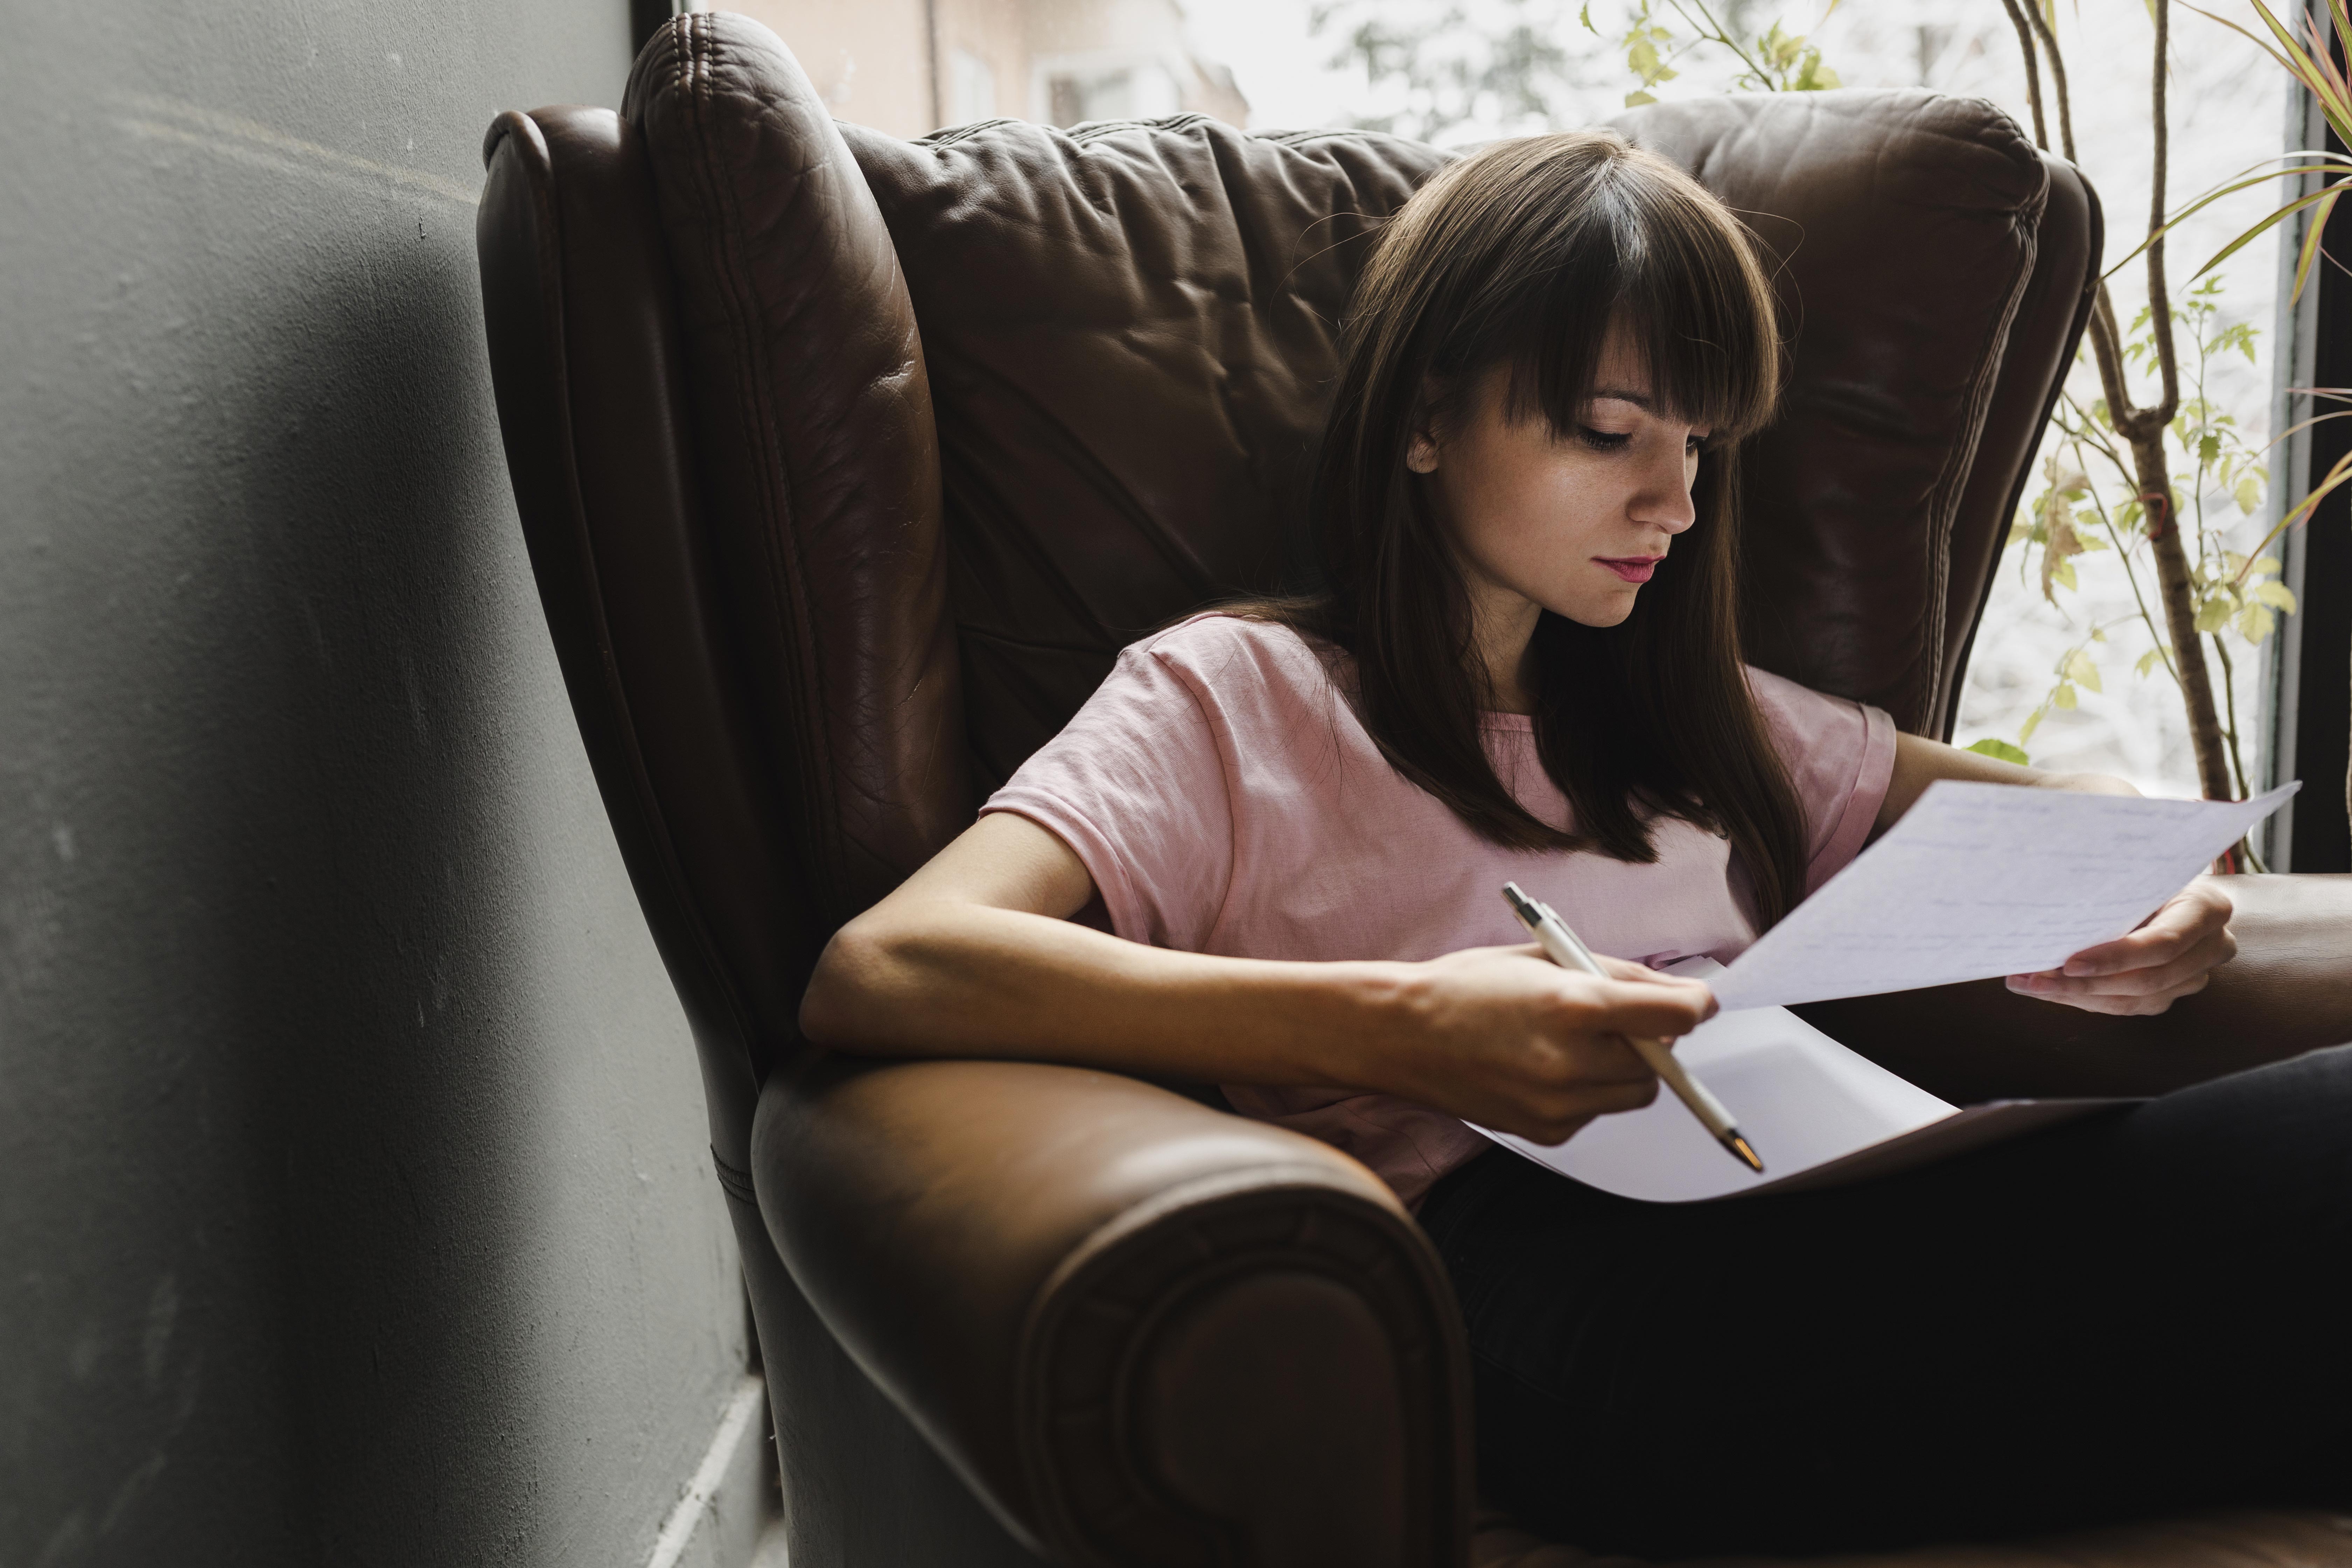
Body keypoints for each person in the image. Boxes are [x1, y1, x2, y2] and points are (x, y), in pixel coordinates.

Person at [799, 131, 2346, 1555]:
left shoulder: (1688, 709)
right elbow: (892, 966)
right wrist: (1414, 1030)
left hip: (1834, 1203)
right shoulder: (1235, 698)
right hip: (1545, 1284)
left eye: (1701, 445)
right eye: (1611, 434)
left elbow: (2050, 799)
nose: (1672, 500)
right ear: (1425, 415)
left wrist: (2162, 878)